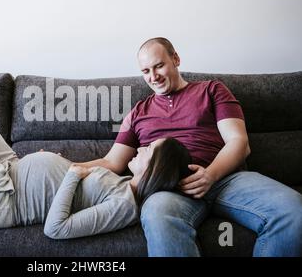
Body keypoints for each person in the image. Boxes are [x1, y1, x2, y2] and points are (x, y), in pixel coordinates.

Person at [74, 37, 302, 256]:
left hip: (226, 178)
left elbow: (239, 143)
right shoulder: (137, 112)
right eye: (145, 71)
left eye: (159, 66)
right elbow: (111, 162)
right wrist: (62, 164)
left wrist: (210, 175)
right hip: (170, 189)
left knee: (293, 210)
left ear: (176, 59)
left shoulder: (212, 90)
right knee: (157, 213)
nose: (153, 77)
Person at [0, 107, 191, 239]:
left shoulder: (124, 205)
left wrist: (69, 174)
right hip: (9, 173)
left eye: (151, 150)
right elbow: (76, 180)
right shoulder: (123, 183)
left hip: (0, 202)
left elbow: (56, 228)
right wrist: (56, 164)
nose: (143, 147)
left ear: (156, 167)